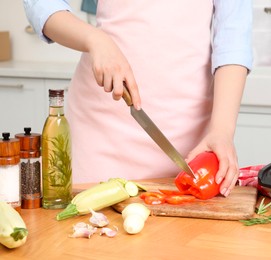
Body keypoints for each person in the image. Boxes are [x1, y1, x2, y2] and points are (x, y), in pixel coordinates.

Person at [23, 0, 253, 197]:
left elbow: (233, 36)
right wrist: (95, 39)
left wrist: (221, 131)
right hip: (100, 130)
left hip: (188, 139)